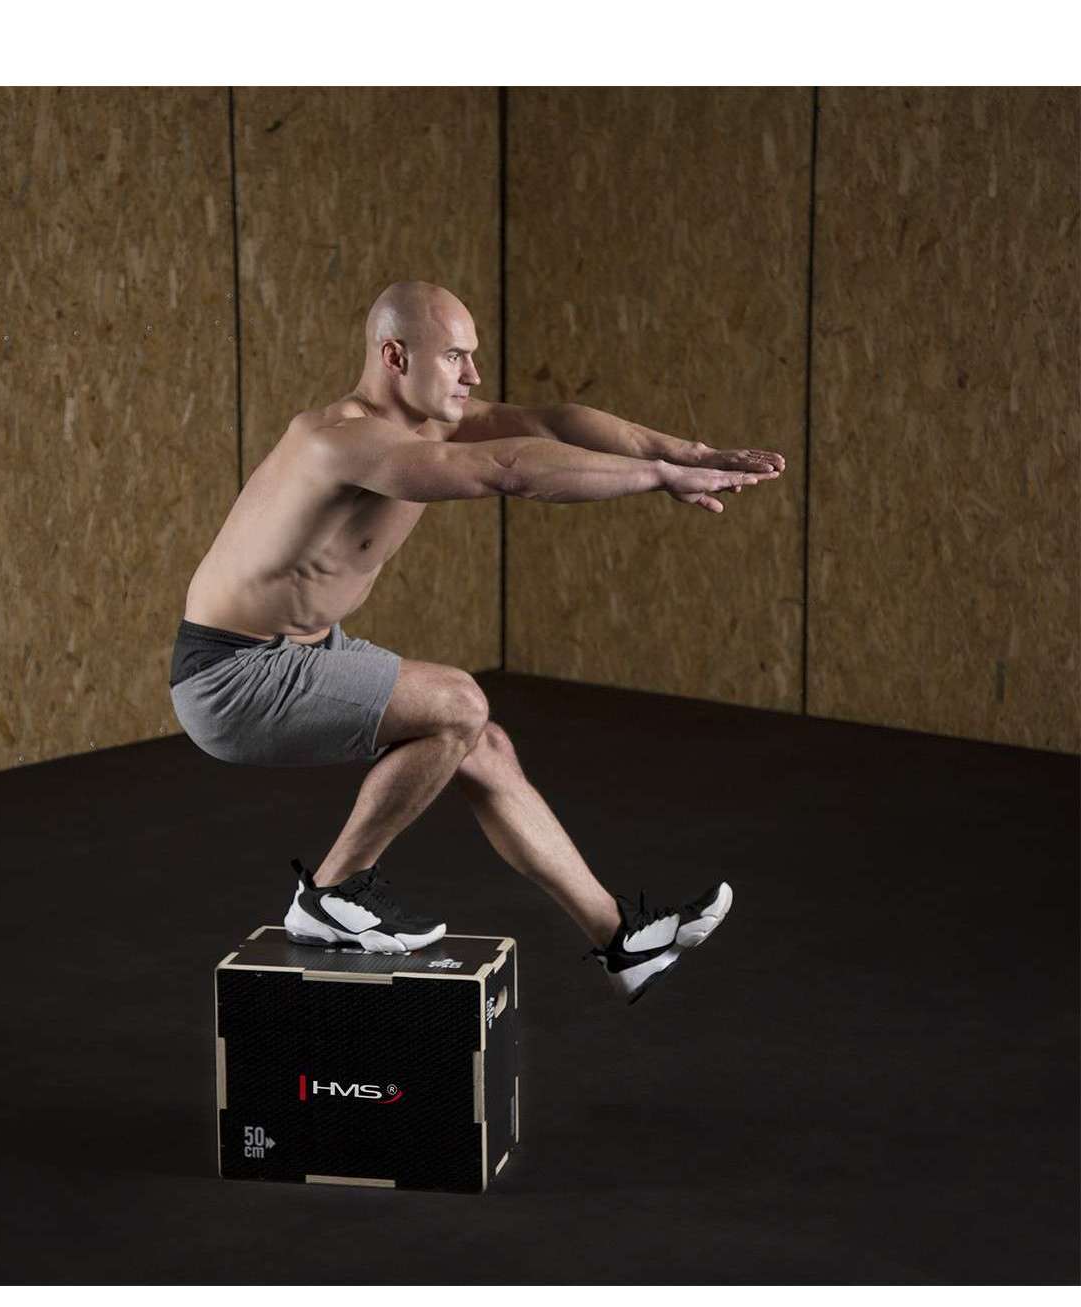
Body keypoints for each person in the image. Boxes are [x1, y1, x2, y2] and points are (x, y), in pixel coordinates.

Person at [170, 280, 785, 1003]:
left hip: (304, 651)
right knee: (458, 703)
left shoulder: (436, 421)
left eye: (472, 357)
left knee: (481, 743)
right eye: (455, 357)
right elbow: (510, 469)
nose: (473, 375)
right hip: (232, 674)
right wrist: (659, 475)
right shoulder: (338, 439)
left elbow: (551, 423)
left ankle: (622, 940)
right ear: (394, 356)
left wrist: (684, 449)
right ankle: (331, 891)